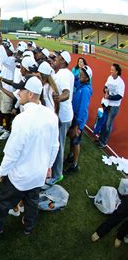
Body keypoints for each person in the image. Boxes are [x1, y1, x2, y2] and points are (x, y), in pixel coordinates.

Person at [0, 77, 59, 235]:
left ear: (31, 94)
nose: (18, 92)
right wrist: (49, 167)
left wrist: (0, 172)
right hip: (39, 173)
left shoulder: (22, 119)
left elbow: (12, 153)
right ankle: (28, 227)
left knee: (4, 202)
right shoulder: (51, 115)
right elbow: (55, 145)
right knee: (32, 202)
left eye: (22, 90)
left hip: (20, 176)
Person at [47, 50, 74, 185]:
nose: (54, 59)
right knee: (57, 144)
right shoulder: (62, 73)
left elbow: (67, 93)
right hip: (63, 115)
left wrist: (59, 98)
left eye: (57, 58)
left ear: (63, 61)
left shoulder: (63, 74)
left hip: (62, 116)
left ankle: (57, 175)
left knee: (58, 145)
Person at [65, 66, 93, 174]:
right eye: (80, 74)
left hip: (78, 120)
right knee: (72, 139)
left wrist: (78, 125)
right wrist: (79, 74)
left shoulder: (85, 90)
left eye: (83, 75)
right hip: (75, 117)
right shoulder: (81, 84)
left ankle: (75, 165)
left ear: (87, 78)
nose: (80, 76)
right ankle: (71, 156)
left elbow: (83, 108)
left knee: (76, 141)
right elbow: (74, 79)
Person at [0, 35, 16, 141]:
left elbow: (4, 60)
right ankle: (0, 126)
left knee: (6, 112)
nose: (4, 51)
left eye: (6, 49)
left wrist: (0, 44)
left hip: (7, 90)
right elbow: (0, 67)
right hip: (0, 87)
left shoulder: (12, 60)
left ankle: (7, 130)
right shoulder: (4, 60)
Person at [98, 64, 125, 148]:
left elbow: (120, 96)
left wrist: (109, 97)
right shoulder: (110, 78)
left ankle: (104, 142)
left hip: (114, 107)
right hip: (107, 104)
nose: (111, 71)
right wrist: (105, 89)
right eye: (111, 69)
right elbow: (105, 87)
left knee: (108, 125)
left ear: (117, 71)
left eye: (112, 70)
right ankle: (100, 139)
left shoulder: (121, 83)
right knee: (104, 122)